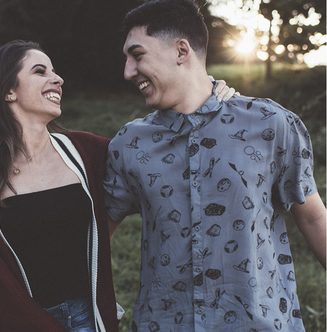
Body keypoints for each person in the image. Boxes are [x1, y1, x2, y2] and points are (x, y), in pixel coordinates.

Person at [0, 39, 238, 331]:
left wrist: (205, 96)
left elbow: (160, 149)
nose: (58, 78)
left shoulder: (84, 151)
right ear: (8, 90)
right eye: (41, 71)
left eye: (54, 70)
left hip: (90, 319)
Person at [107, 0, 327, 331]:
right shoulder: (129, 145)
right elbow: (95, 237)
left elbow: (312, 217)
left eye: (137, 56)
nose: (127, 71)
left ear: (181, 51)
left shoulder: (271, 125)